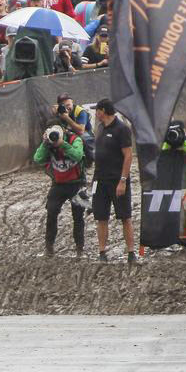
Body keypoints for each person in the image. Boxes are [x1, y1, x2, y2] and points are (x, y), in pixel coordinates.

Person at [90, 99, 138, 263]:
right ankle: (102, 252)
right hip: (100, 179)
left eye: (97, 110)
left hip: (116, 180)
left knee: (125, 216)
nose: (96, 114)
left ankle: (131, 253)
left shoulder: (122, 129)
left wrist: (122, 180)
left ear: (102, 110)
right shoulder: (101, 128)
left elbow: (128, 155)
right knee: (101, 217)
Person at [34, 116, 87, 258]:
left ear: (63, 129)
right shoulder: (49, 143)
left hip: (77, 183)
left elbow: (77, 155)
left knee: (78, 216)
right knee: (51, 213)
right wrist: (45, 143)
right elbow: (37, 159)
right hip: (58, 184)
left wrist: (62, 144)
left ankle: (80, 249)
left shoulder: (74, 139)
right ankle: (49, 247)